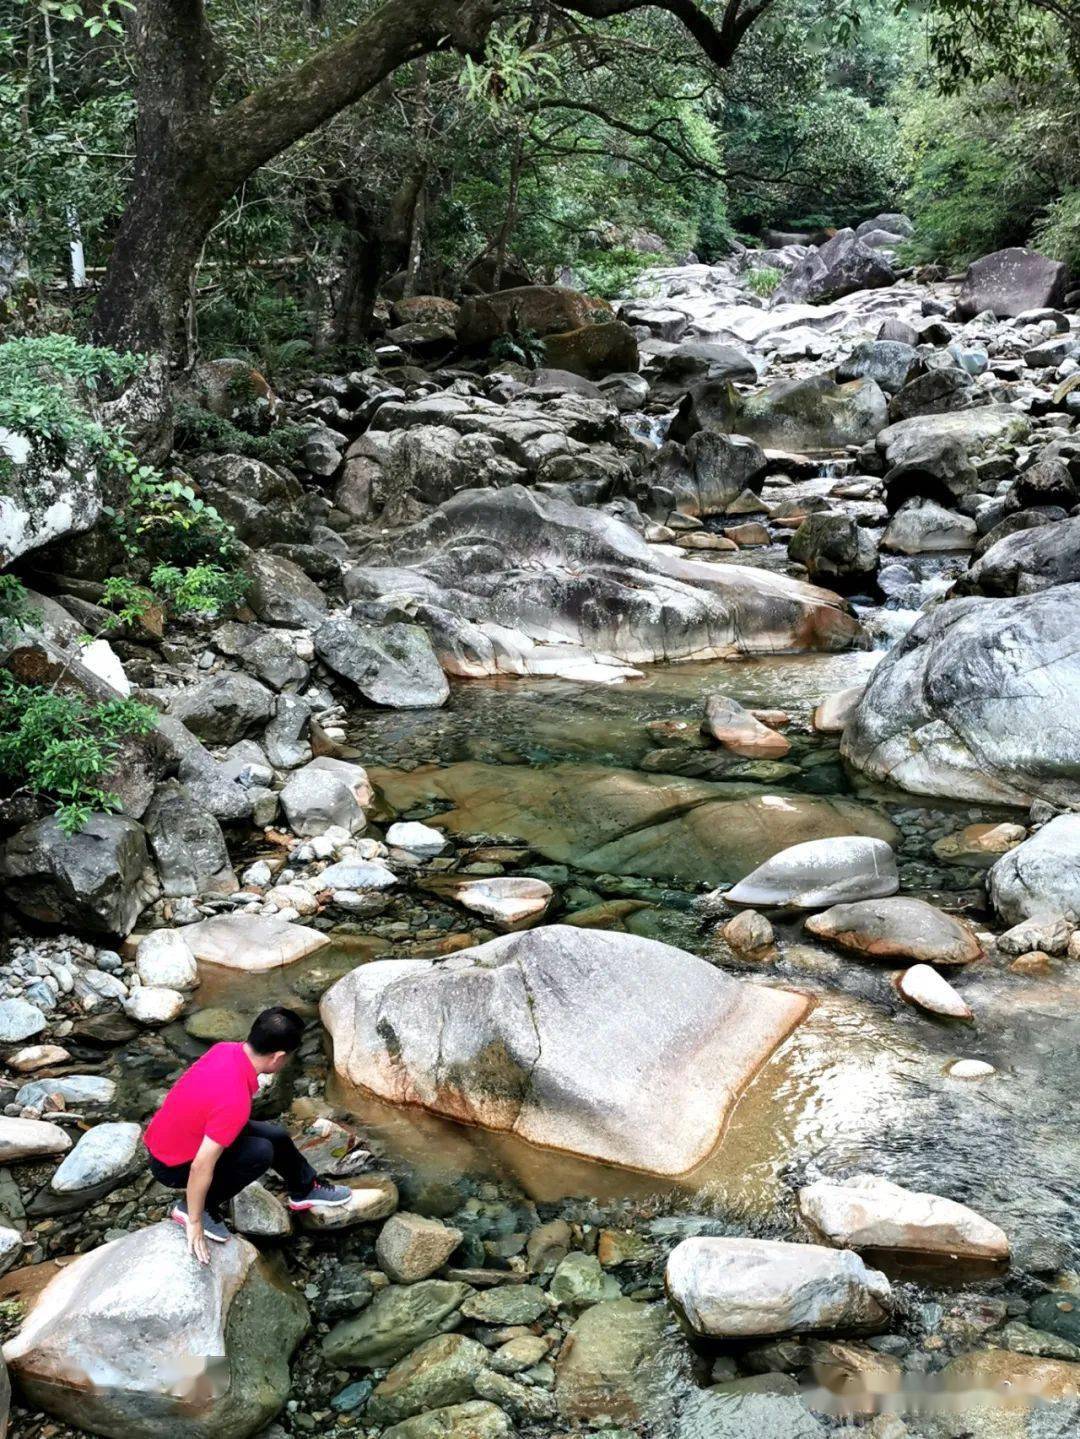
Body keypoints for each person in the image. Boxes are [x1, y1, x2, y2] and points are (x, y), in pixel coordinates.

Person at [144, 1005, 351, 1263]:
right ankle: (195, 1206)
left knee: (275, 1136)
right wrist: (195, 1220)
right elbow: (201, 1165)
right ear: (277, 1057)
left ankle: (305, 1189)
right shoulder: (234, 1099)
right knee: (260, 1152)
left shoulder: (225, 1049)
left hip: (177, 1136)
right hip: (170, 1164)